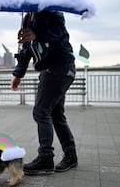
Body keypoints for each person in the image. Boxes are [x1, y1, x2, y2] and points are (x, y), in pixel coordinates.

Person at [11, 10, 78, 175]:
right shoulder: (28, 18)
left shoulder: (52, 13)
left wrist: (36, 35)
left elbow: (58, 39)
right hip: (49, 70)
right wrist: (18, 74)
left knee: (41, 112)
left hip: (60, 67)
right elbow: (26, 50)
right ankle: (70, 155)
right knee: (55, 114)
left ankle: (46, 157)